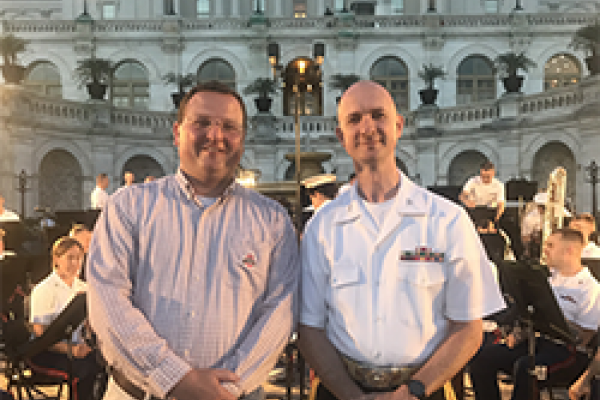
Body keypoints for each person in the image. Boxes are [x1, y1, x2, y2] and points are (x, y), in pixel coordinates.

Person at [86, 81, 299, 400]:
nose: (215, 135)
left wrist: (225, 388)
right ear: (177, 133)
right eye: (201, 123)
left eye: (229, 126)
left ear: (242, 139)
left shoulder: (272, 221)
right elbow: (108, 302)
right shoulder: (128, 207)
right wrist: (173, 379)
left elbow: (280, 314)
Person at [298, 81, 505, 400]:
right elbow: (310, 329)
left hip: (425, 388)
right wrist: (351, 395)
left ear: (398, 126)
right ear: (341, 137)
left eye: (378, 115)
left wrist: (413, 390)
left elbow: (468, 328)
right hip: (340, 391)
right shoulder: (321, 227)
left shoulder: (447, 220)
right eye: (355, 119)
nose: (367, 128)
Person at [469, 228, 600, 400]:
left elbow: (586, 336)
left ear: (569, 250)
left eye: (551, 245)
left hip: (568, 352)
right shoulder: (546, 279)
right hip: (538, 342)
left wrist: (554, 320)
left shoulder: (589, 288)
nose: (545, 250)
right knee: (482, 358)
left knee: (526, 368)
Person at [29, 237, 105, 400]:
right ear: (57, 259)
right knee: (84, 370)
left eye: (79, 258)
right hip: (47, 352)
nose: (76, 263)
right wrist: (71, 350)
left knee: (107, 364)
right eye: (70, 258)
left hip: (78, 348)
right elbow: (40, 334)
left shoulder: (84, 288)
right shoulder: (44, 290)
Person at [459, 161, 505, 227]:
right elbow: (462, 196)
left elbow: (501, 204)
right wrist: (466, 202)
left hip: (490, 211)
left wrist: (496, 219)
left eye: (488, 176)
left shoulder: (499, 185)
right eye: (483, 176)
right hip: (474, 211)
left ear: (493, 174)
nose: (485, 179)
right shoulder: (472, 181)